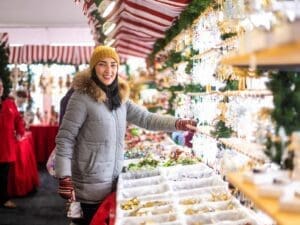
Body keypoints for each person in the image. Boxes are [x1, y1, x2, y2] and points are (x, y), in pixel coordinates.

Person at [55, 46, 197, 224]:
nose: (109, 70)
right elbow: (65, 138)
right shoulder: (81, 98)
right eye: (102, 64)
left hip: (114, 180)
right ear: (93, 67)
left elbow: (146, 119)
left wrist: (176, 123)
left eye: (113, 65)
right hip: (90, 184)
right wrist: (64, 176)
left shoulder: (119, 98)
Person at [0, 77, 25, 208]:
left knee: (4, 174)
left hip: (6, 146)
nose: (0, 88)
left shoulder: (9, 103)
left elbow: (18, 119)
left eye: (1, 86)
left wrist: (20, 131)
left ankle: (4, 199)